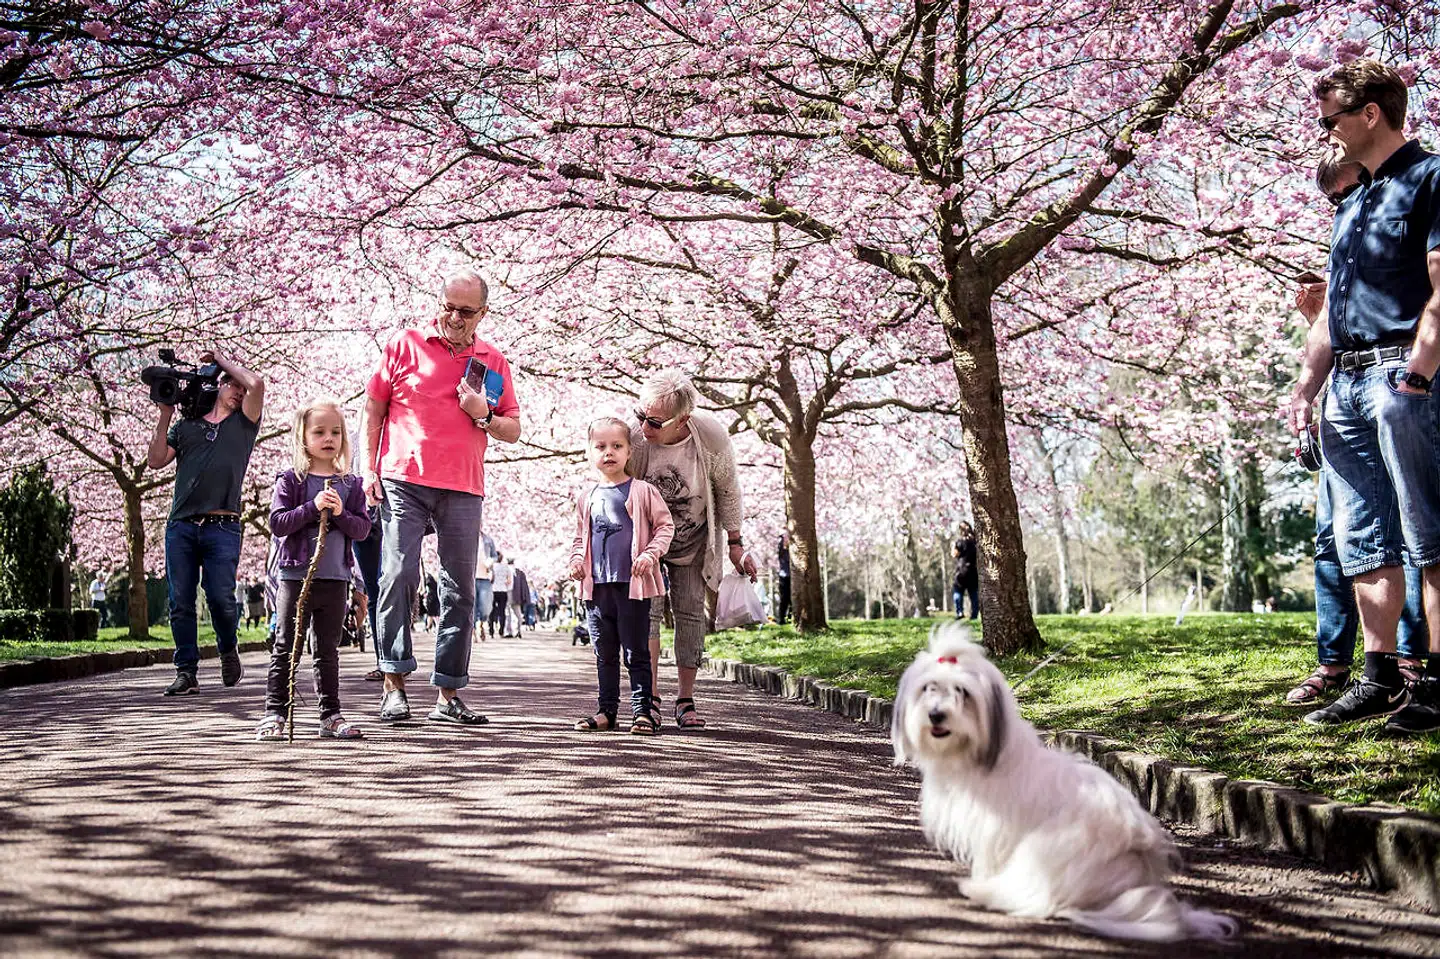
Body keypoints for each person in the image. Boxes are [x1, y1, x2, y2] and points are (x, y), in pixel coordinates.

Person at [1288, 60, 1440, 732]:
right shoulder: (1353, 201)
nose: (1326, 132)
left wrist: (1419, 373)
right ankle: (1378, 678)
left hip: (1404, 377)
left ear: (1370, 113)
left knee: (1428, 530)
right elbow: (1332, 309)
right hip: (1345, 385)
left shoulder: (1430, 178)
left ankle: (1434, 683)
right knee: (1362, 535)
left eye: (1332, 120)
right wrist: (1306, 386)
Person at [364, 268, 521, 725]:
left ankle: (448, 693)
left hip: (463, 485)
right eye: (448, 307)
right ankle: (393, 684)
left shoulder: (493, 361)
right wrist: (368, 468)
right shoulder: (404, 344)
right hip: (403, 478)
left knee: (460, 588)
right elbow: (374, 407)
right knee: (397, 575)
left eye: (465, 311)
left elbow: (513, 429)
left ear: (483, 313)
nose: (454, 317)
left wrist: (484, 414)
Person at [629, 371, 756, 728]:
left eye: (655, 422)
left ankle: (685, 699)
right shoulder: (635, 437)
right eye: (641, 415)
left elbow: (728, 489)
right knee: (647, 615)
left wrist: (735, 544)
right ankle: (649, 698)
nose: (644, 426)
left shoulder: (710, 436)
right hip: (647, 543)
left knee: (690, 613)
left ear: (683, 419)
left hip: (693, 539)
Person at [147, 348, 264, 695]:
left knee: (221, 598)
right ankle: (186, 672)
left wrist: (221, 362)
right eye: (231, 384)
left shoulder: (244, 424)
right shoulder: (187, 427)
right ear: (218, 387)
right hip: (182, 526)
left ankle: (228, 648)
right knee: (180, 600)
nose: (238, 390)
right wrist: (165, 415)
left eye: (239, 385)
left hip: (223, 527)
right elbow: (156, 460)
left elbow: (256, 384)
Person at [256, 398, 371, 741]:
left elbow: (362, 529)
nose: (328, 438)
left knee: (327, 651)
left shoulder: (350, 484)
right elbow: (278, 523)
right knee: (285, 645)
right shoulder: (291, 480)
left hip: (335, 578)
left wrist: (340, 513)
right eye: (319, 432)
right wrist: (312, 507)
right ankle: (275, 712)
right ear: (303, 437)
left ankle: (330, 715)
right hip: (295, 577)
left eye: (335, 432)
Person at [569, 416, 674, 735]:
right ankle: (607, 711)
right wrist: (576, 561)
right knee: (604, 654)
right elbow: (579, 538)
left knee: (636, 652)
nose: (608, 452)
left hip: (632, 587)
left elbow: (665, 527)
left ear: (629, 452)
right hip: (596, 589)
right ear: (589, 452)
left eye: (617, 446)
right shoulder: (586, 497)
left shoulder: (642, 491)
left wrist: (650, 554)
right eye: (600, 446)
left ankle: (643, 711)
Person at [952, 522, 979, 620]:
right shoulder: (975, 542)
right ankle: (974, 614)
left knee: (958, 591)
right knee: (973, 593)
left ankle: (960, 612)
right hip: (973, 570)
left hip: (961, 571)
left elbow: (954, 554)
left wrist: (954, 547)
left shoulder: (960, 542)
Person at [473, 532, 496, 639]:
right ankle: (473, 631)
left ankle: (482, 623)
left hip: (485, 578)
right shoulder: (466, 536)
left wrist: (490, 561)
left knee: (486, 607)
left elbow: (495, 556)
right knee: (471, 607)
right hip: (470, 578)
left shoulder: (488, 539)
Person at [489, 552, 512, 639]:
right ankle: (501, 631)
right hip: (503, 591)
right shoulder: (506, 567)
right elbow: (509, 581)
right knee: (502, 612)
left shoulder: (492, 567)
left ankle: (491, 631)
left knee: (491, 611)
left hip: (493, 590)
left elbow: (490, 578)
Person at [775, 532, 791, 625]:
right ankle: (781, 619)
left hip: (791, 578)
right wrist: (782, 538)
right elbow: (780, 547)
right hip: (784, 577)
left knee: (792, 599)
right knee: (784, 599)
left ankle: (790, 618)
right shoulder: (782, 553)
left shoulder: (793, 553)